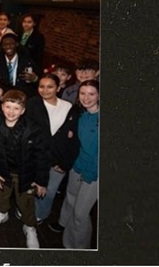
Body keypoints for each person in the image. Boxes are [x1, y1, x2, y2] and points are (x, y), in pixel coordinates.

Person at [0, 90, 52, 248]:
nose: (11, 112)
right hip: (3, 172)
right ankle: (2, 213)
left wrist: (41, 181)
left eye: (16, 108)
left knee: (26, 203)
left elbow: (42, 156)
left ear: (23, 110)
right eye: (8, 106)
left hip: (26, 175)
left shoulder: (33, 129)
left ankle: (29, 226)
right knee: (1, 196)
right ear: (2, 107)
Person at [27, 74, 81, 230]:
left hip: (58, 159)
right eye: (41, 86)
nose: (45, 90)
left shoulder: (68, 107)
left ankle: (40, 215)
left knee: (49, 192)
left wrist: (65, 163)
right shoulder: (33, 104)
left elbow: (72, 138)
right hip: (36, 157)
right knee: (33, 188)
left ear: (58, 88)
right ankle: (27, 210)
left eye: (50, 86)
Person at [61, 80, 100, 249]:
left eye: (91, 94)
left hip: (94, 173)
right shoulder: (80, 114)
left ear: (99, 95)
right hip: (77, 167)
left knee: (80, 214)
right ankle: (68, 242)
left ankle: (80, 250)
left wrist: (91, 174)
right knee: (70, 201)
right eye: (83, 93)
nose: (86, 97)